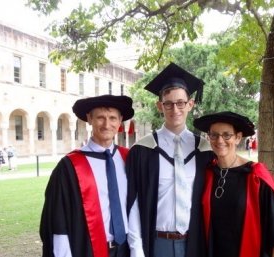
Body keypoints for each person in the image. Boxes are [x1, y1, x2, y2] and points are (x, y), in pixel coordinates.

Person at [126, 62, 214, 257]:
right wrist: (137, 249)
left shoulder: (205, 151)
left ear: (190, 104)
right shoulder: (142, 151)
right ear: (160, 106)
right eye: (168, 103)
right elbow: (133, 203)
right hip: (158, 244)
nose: (175, 109)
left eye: (181, 102)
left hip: (196, 244)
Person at [40, 94, 135, 257]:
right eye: (100, 118)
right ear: (89, 119)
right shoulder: (69, 166)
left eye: (113, 118)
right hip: (87, 249)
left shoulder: (130, 159)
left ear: (120, 122)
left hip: (128, 249)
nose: (107, 124)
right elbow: (58, 218)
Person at [193, 111, 274, 257]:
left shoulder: (256, 176)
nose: (219, 140)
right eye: (214, 135)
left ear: (238, 137)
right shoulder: (208, 174)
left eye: (227, 135)